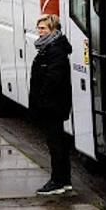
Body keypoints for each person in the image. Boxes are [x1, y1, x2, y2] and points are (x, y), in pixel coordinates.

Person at [28, 14, 73, 195]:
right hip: (52, 103)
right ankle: (64, 179)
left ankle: (57, 181)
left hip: (53, 105)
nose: (40, 32)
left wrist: (42, 99)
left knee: (55, 144)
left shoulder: (55, 51)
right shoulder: (49, 48)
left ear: (53, 30)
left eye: (43, 28)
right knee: (58, 142)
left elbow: (53, 79)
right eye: (38, 28)